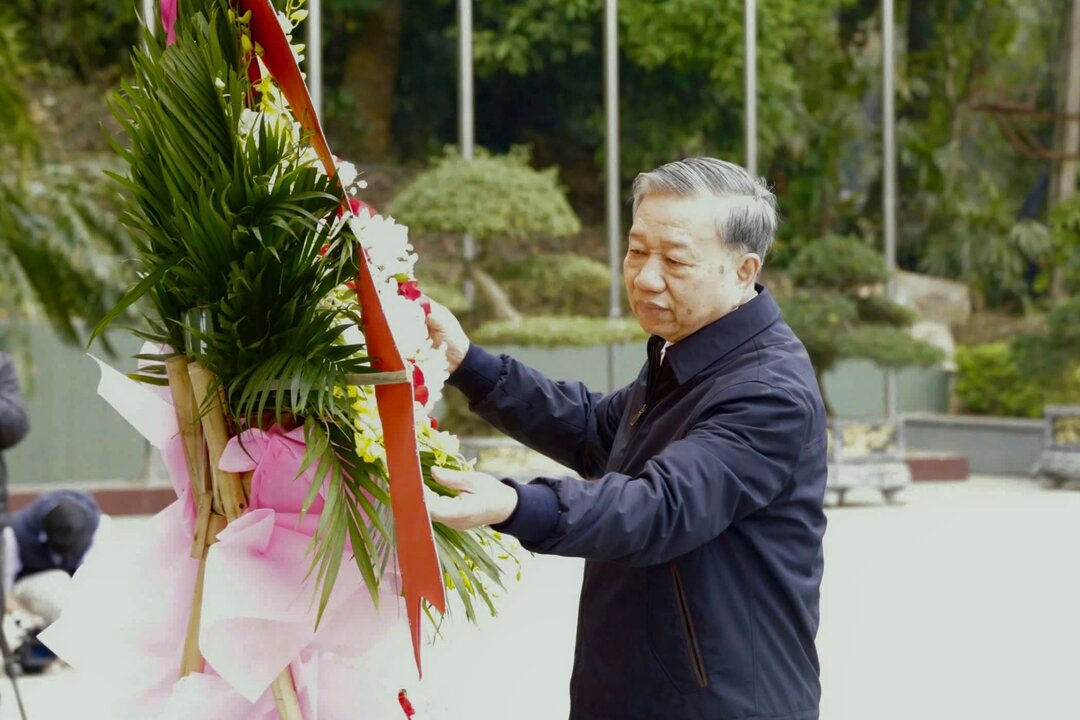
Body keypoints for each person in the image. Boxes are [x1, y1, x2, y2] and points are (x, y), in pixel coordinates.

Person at [425, 158, 828, 720]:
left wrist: (517, 504)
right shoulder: (685, 350)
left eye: (676, 259)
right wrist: (469, 364)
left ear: (743, 269)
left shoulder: (766, 391)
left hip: (718, 702)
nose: (645, 277)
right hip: (637, 687)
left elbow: (658, 505)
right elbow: (598, 430)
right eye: (637, 251)